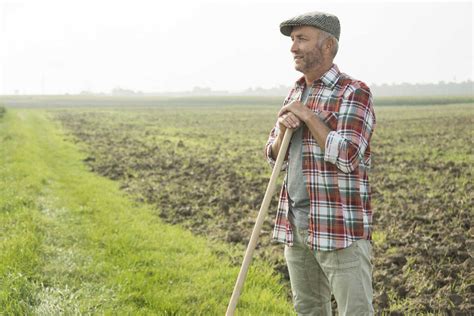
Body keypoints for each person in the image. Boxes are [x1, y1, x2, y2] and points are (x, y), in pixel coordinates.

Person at [264, 11, 376, 315]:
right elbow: (273, 154)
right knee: (310, 309)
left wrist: (309, 116)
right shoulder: (296, 90)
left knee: (355, 311)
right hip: (296, 226)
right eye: (292, 39)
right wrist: (285, 129)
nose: (293, 47)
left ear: (327, 45)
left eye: (302, 39)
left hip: (338, 229)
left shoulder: (353, 91)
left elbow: (349, 155)